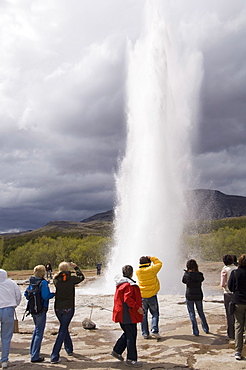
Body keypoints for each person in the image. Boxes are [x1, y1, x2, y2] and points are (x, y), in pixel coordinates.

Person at [50, 262, 84, 364]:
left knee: (64, 328)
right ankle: (54, 355)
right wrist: (76, 267)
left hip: (58, 308)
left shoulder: (56, 279)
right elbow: (81, 277)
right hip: (68, 308)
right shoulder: (71, 279)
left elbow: (61, 278)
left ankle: (69, 349)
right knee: (62, 331)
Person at [111, 265, 144, 368]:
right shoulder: (129, 285)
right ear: (131, 273)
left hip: (122, 313)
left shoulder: (121, 284)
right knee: (131, 336)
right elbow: (127, 299)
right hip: (128, 314)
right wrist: (137, 308)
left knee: (128, 333)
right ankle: (131, 359)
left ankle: (117, 351)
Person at [24, 265, 55, 363]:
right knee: (39, 331)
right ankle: (35, 356)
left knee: (36, 329)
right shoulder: (43, 282)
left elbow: (26, 294)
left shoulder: (32, 281)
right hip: (41, 309)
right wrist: (53, 294)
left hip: (33, 309)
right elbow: (45, 296)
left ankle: (32, 351)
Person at [136, 256, 162, 339]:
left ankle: (145, 333)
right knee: (155, 313)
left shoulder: (138, 271)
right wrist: (152, 258)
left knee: (143, 315)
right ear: (149, 263)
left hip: (142, 296)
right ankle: (154, 330)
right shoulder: (152, 270)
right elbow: (159, 263)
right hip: (152, 295)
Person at [0, 269, 22, 369]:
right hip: (8, 309)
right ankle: (4, 360)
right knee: (6, 337)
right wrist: (14, 305)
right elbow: (18, 296)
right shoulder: (11, 283)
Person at [182, 259, 209, 336]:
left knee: (192, 313)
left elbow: (183, 281)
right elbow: (202, 279)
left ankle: (195, 331)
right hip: (198, 295)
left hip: (189, 295)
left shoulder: (187, 275)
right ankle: (206, 328)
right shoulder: (199, 274)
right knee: (201, 312)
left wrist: (187, 272)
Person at [228, 254, 246, 361]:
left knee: (239, 326)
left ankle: (238, 351)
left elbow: (230, 287)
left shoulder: (235, 273)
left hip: (238, 301)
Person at [220, 254, 237, 339]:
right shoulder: (237, 269)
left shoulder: (225, 270)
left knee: (229, 314)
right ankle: (239, 332)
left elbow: (223, 284)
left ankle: (231, 333)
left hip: (228, 293)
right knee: (238, 315)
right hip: (237, 294)